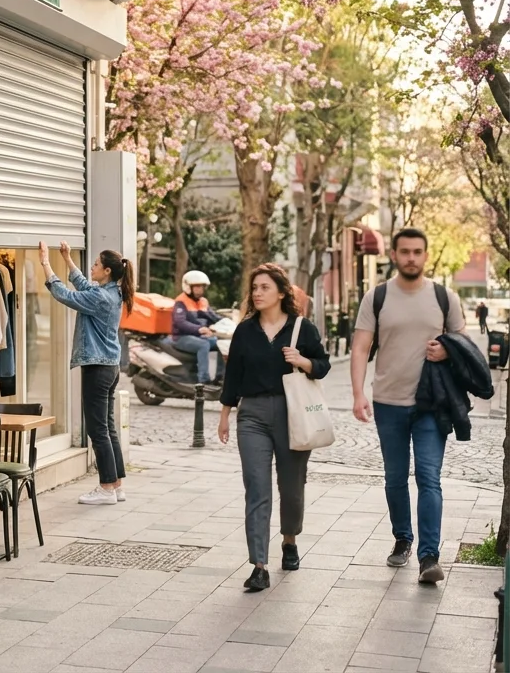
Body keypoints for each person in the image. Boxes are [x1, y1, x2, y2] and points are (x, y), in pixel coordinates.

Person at [350, 228, 466, 584]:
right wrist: (358, 394)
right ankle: (403, 537)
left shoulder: (445, 297)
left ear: (426, 256)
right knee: (395, 478)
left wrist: (448, 349)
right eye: (405, 252)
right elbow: (359, 348)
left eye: (417, 252)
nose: (411, 258)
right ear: (395, 256)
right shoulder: (378, 296)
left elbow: (463, 346)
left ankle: (429, 556)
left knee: (429, 478)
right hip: (389, 402)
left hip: (432, 404)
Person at [217, 263, 330, 592]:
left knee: (291, 487)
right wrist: (225, 414)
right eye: (254, 288)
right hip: (251, 414)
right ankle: (259, 565)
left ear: (282, 292)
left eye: (264, 287)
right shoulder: (245, 330)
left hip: (292, 413)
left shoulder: (302, 328)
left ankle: (290, 540)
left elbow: (321, 365)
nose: (257, 293)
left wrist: (303, 361)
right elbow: (233, 376)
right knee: (256, 487)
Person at [38, 240, 135, 506]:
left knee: (98, 430)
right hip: (109, 367)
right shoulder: (110, 291)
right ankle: (116, 484)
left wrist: (46, 264)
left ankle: (105, 488)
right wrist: (67, 259)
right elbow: (82, 284)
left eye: (95, 264)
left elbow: (65, 295)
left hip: (98, 368)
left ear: (106, 271)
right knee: (108, 428)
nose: (91, 267)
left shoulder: (101, 297)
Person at [172, 270, 223, 384]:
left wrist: (228, 322)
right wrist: (199, 329)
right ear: (188, 287)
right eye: (197, 287)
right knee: (203, 345)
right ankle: (203, 380)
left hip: (201, 336)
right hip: (182, 337)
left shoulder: (203, 301)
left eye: (202, 287)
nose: (200, 290)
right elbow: (180, 322)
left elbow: (213, 316)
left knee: (222, 344)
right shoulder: (181, 301)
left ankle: (220, 377)